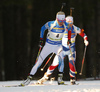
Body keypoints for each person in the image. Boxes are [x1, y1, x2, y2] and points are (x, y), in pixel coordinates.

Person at [21, 11, 70, 86]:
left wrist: (68, 39)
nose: (61, 23)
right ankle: (28, 79)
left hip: (58, 46)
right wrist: (41, 39)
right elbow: (42, 28)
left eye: (62, 21)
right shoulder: (51, 24)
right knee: (38, 62)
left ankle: (60, 79)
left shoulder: (66, 25)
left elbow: (69, 30)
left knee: (61, 59)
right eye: (60, 21)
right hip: (48, 46)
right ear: (57, 19)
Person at [37, 15, 89, 85]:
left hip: (71, 49)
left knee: (72, 64)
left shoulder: (75, 28)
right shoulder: (61, 28)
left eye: (71, 23)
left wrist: (85, 40)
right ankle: (45, 77)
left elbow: (83, 34)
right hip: (62, 48)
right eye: (68, 23)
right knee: (55, 63)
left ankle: (72, 80)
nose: (70, 25)